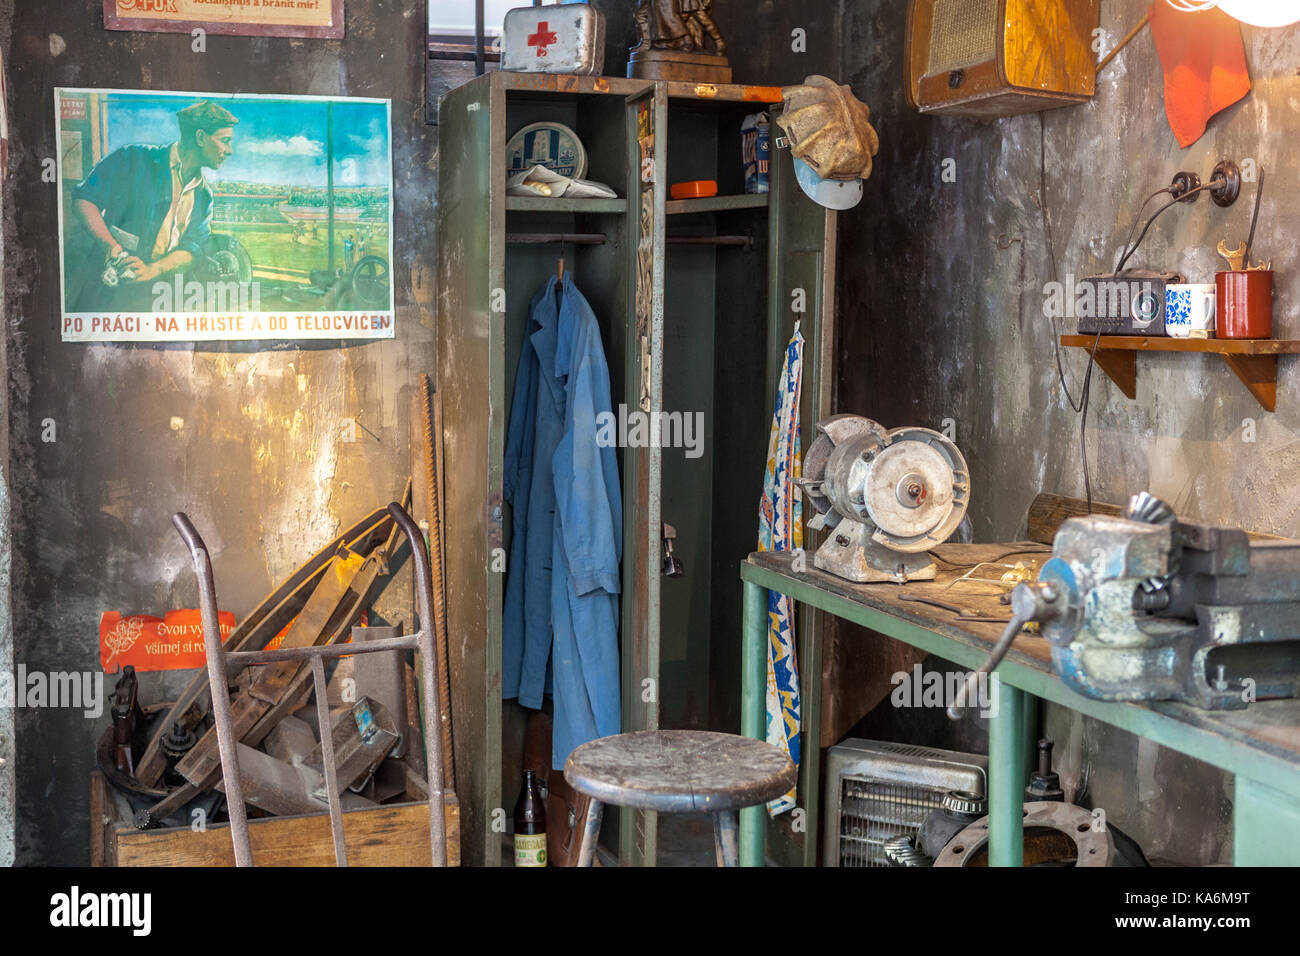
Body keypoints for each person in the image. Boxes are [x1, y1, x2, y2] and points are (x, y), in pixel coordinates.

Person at [65, 100, 237, 312]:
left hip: (157, 298)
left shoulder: (204, 196)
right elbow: (84, 199)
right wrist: (113, 248)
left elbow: (194, 248)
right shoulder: (133, 158)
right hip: (105, 294)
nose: (229, 150)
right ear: (200, 137)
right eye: (225, 141)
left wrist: (152, 269)